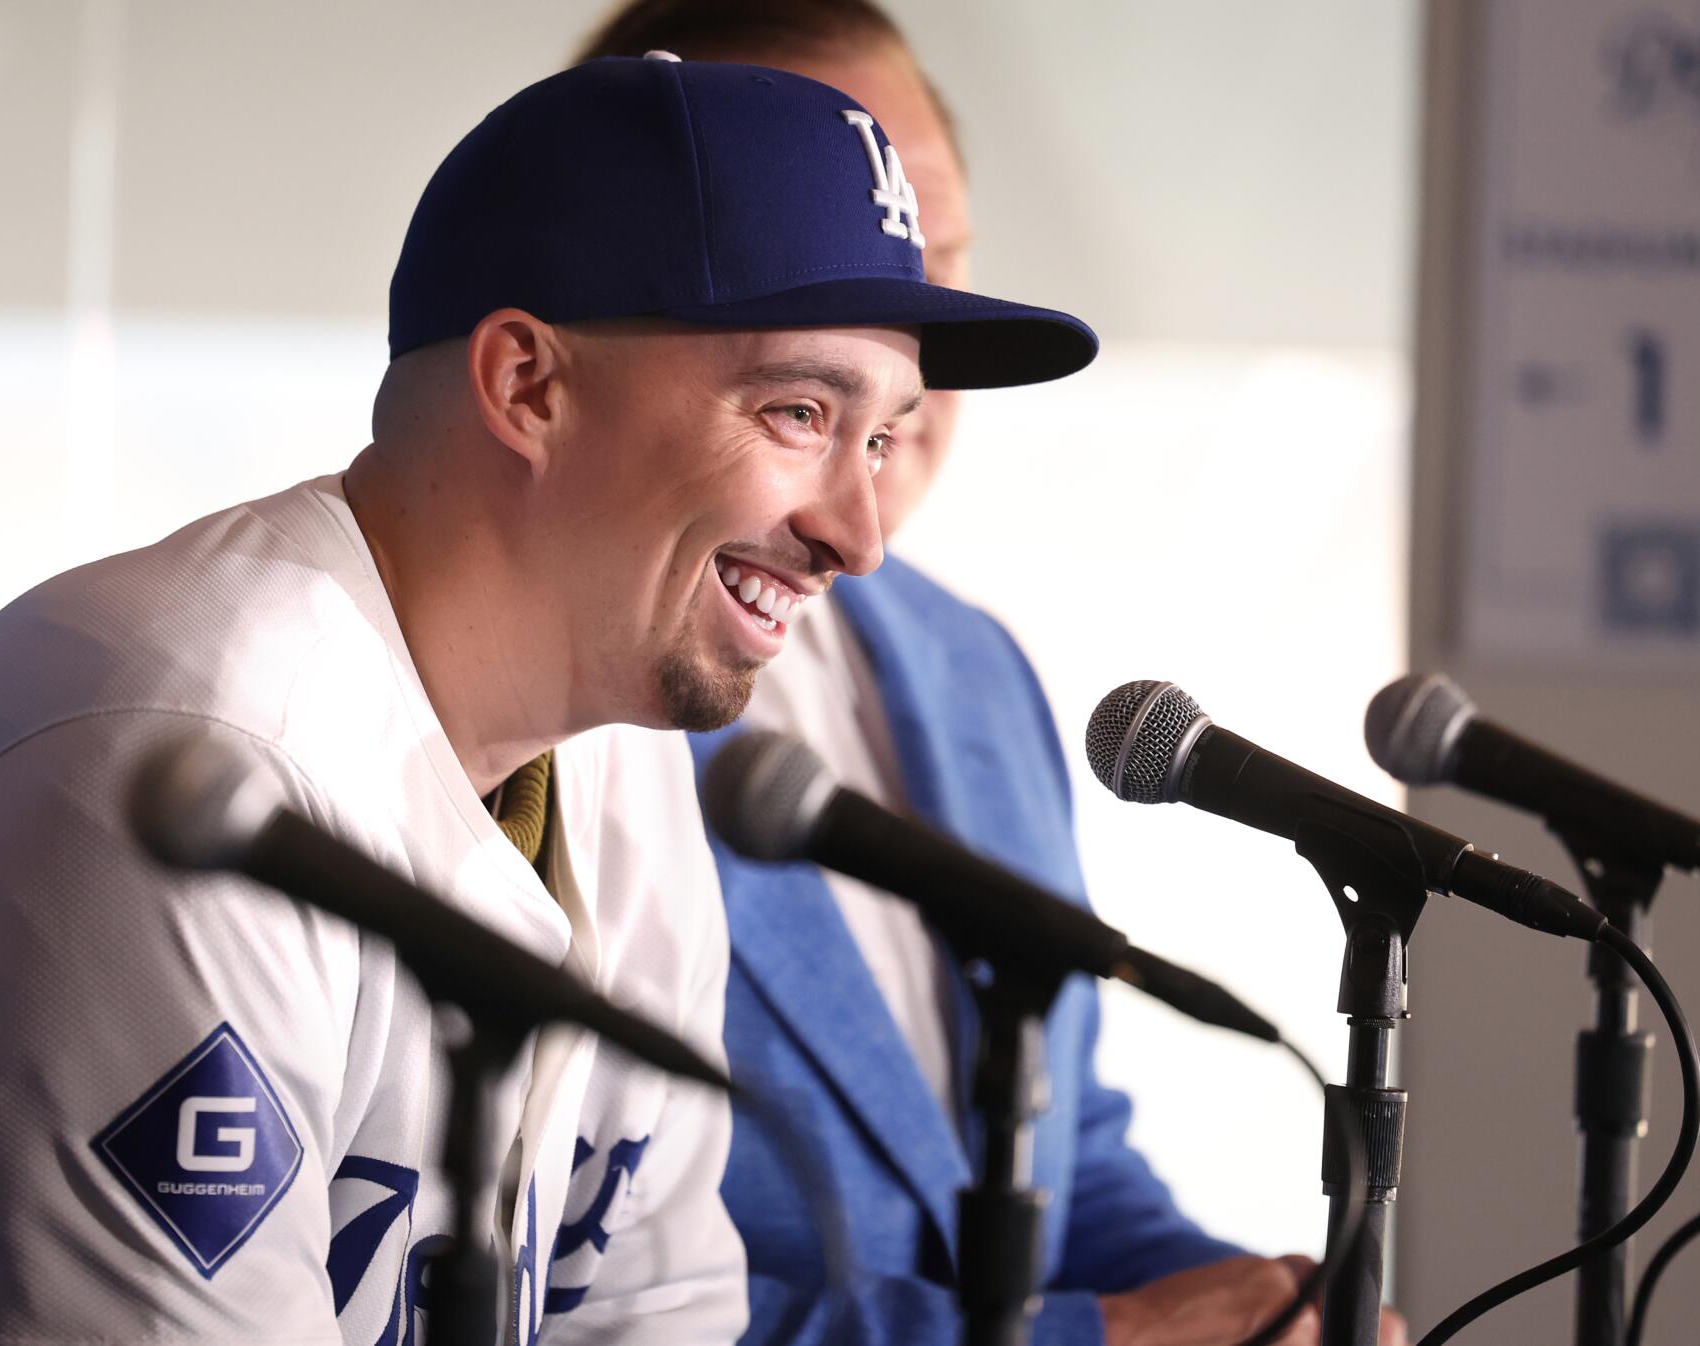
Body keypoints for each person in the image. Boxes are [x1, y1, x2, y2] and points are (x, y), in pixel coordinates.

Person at [0, 53, 1095, 1345]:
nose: (859, 534)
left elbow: (658, 1313)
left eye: (879, 436)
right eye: (797, 412)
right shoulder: (187, 753)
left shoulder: (618, 757)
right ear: (526, 387)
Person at [577, 8, 1404, 1346]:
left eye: (937, 274)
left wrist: (1272, 1313)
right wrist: (1111, 1337)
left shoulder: (976, 671)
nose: (911, 367)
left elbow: (1058, 1157)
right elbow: (569, 1300)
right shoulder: (547, 704)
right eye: (835, 281)